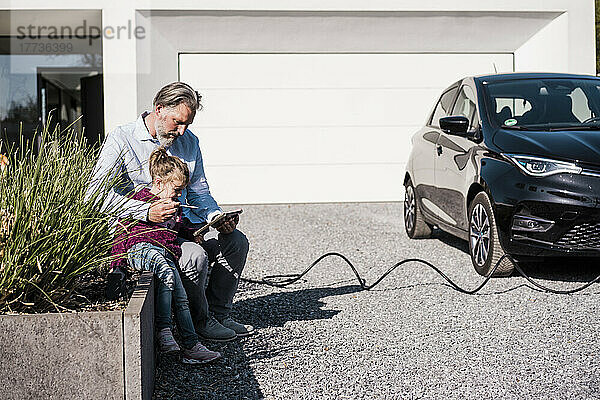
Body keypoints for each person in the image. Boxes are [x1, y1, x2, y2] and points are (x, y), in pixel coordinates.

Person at [90, 81, 252, 341]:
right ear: (159, 108)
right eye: (177, 122)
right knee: (194, 256)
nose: (182, 130)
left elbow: (200, 192)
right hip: (143, 233)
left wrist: (215, 217)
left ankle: (219, 314)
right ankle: (200, 322)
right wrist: (146, 211)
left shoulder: (189, 141)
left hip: (185, 225)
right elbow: (94, 195)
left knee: (236, 241)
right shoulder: (121, 138)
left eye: (187, 124)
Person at [111, 147, 220, 364]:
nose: (179, 195)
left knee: (181, 297)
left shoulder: (174, 208)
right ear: (159, 182)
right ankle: (164, 330)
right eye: (177, 189)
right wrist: (118, 265)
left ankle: (191, 345)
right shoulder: (140, 200)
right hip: (141, 248)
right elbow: (120, 233)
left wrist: (194, 234)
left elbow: (176, 230)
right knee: (165, 270)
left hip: (165, 253)